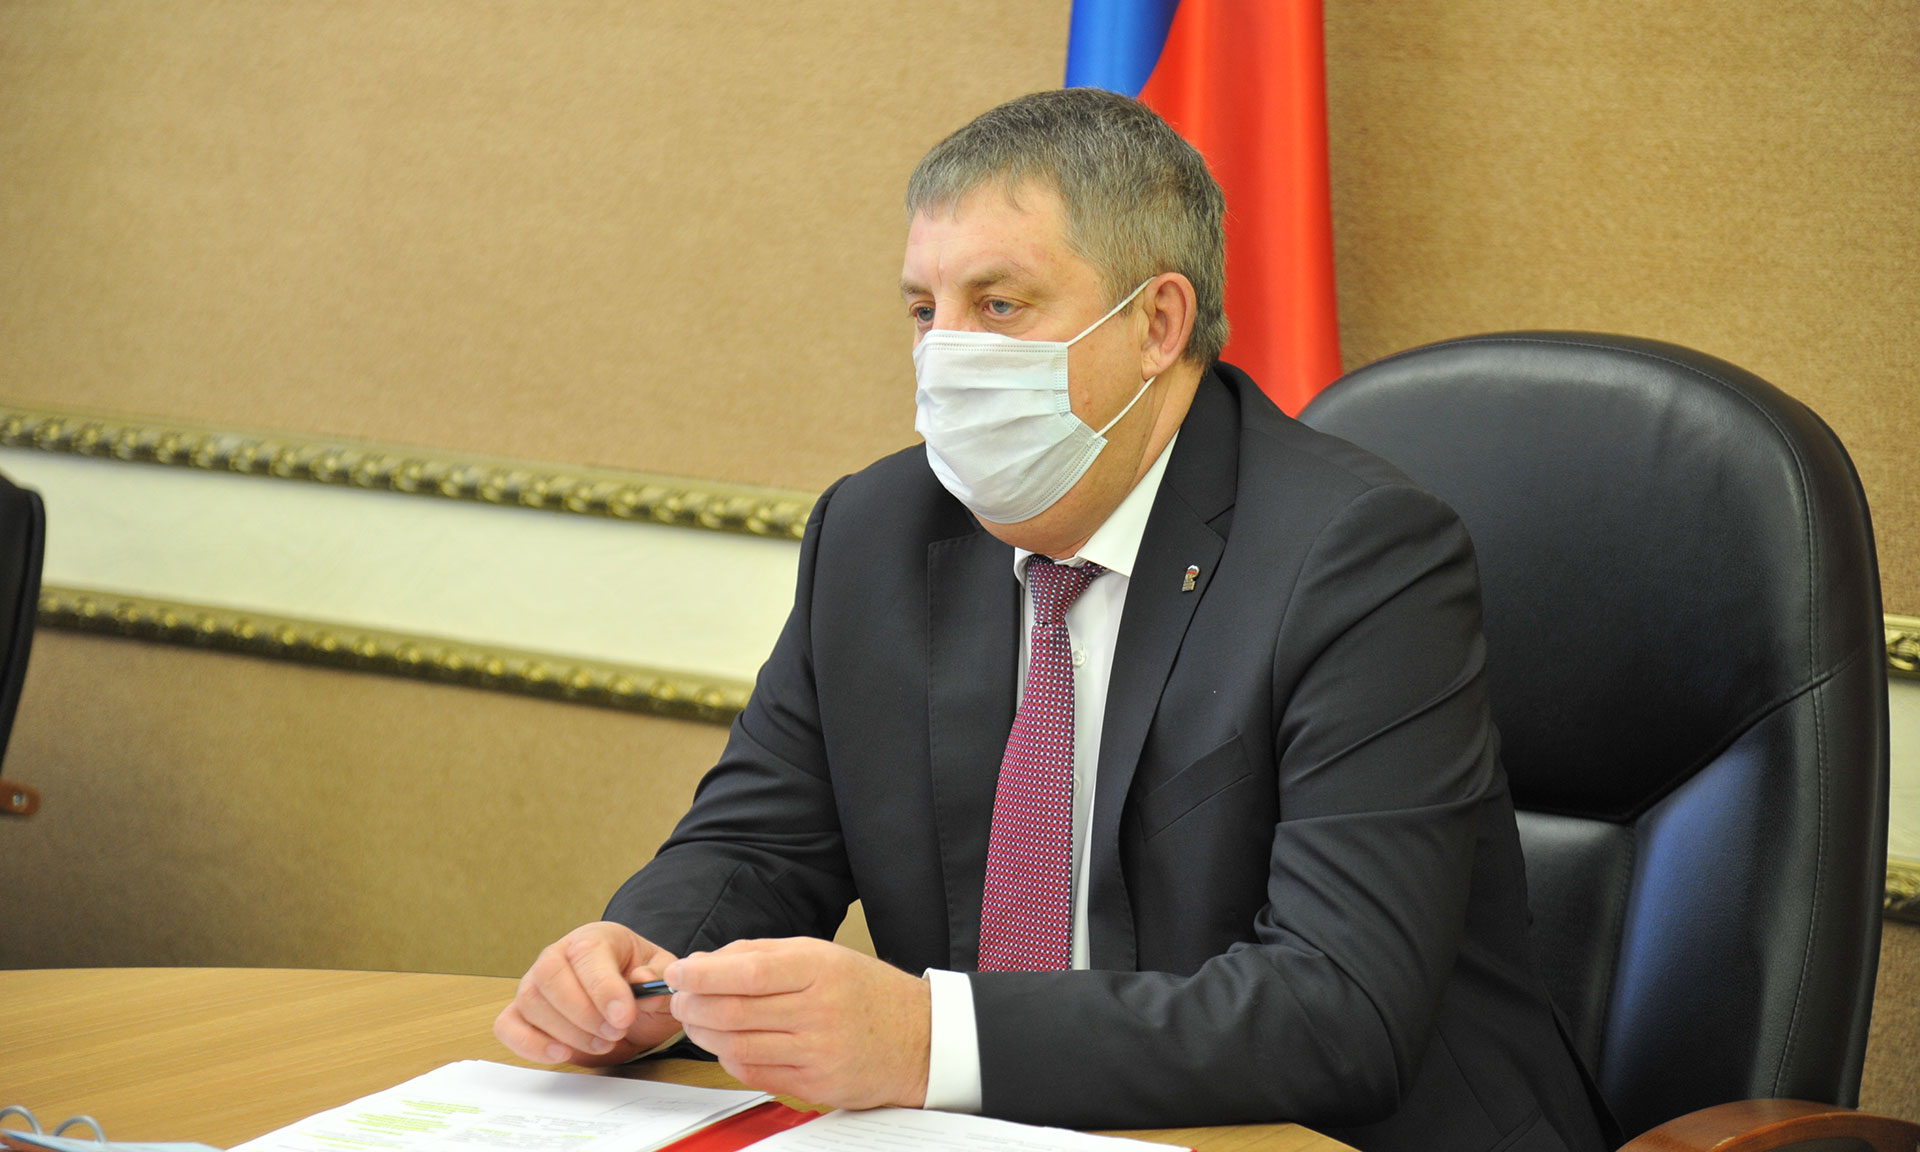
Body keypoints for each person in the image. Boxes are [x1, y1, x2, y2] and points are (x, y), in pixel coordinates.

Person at [495, 88, 1609, 1152]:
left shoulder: (1358, 558)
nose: (944, 356)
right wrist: (642, 965)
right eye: (924, 311)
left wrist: (929, 1041)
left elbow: (1341, 1008)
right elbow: (757, 843)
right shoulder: (877, 532)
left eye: (999, 306)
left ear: (1158, 323)